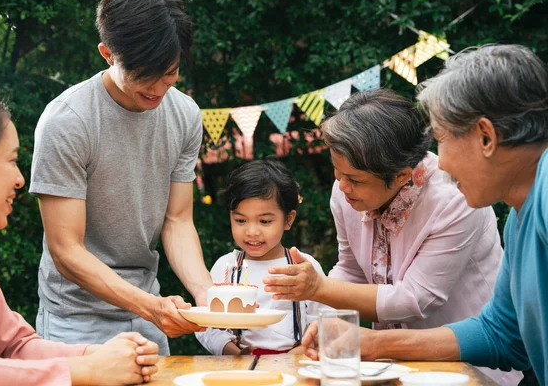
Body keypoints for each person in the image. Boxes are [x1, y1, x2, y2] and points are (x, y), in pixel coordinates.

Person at [302, 44, 548, 385]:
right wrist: (373, 342)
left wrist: (320, 289)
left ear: (486, 137)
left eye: (441, 139)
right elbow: (502, 334)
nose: (439, 163)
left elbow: (416, 299)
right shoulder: (522, 218)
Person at [263, 88, 520, 384]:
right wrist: (328, 323)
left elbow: (415, 299)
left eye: (355, 179)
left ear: (401, 175)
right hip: (387, 366)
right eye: (337, 171)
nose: (342, 186)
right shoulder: (346, 193)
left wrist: (317, 287)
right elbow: (351, 269)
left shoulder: (455, 198)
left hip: (471, 369)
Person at [30, 0, 212, 353]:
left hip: (147, 312)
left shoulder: (186, 115)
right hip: (75, 321)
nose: (159, 87)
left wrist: (209, 294)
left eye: (171, 72)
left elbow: (176, 221)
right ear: (107, 54)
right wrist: (151, 307)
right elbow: (66, 250)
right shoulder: (67, 121)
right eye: (145, 74)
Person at [0, 86, 160, 385]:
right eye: (10, 160)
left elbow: (14, 347)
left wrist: (99, 355)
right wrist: (89, 371)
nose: (20, 179)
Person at [196, 158, 327, 356]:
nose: (252, 231)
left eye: (264, 221)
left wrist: (299, 353)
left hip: (295, 364)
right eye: (240, 220)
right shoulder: (226, 267)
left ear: (288, 219)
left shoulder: (302, 266)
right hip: (238, 368)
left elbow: (324, 321)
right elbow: (206, 326)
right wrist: (232, 351)